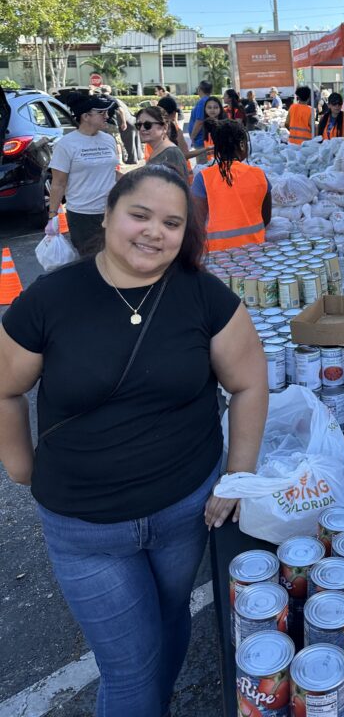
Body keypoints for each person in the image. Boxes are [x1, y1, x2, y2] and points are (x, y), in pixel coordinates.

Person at [0, 165, 268, 716]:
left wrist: (237, 474)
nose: (154, 232)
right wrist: (19, 466)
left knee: (171, 624)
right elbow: (5, 389)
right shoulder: (52, 298)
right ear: (107, 216)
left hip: (183, 510)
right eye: (139, 215)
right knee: (129, 670)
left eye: (172, 223)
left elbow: (249, 383)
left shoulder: (203, 297)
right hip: (84, 526)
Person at [47, 93, 118, 255]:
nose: (107, 116)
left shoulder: (109, 140)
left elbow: (111, 173)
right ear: (86, 116)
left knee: (115, 259)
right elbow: (58, 183)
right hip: (82, 215)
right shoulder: (66, 144)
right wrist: (52, 217)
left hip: (112, 211)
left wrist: (138, 179)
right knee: (91, 262)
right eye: (101, 112)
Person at [191, 120, 272, 251]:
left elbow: (197, 222)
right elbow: (266, 218)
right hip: (256, 250)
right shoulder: (259, 175)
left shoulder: (203, 178)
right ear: (241, 145)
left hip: (218, 253)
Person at [136, 106, 189, 183]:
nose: (142, 129)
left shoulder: (171, 154)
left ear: (164, 128)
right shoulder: (159, 150)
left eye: (148, 125)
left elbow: (176, 190)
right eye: (139, 125)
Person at [189, 80, 213, 150]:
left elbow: (199, 121)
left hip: (200, 139)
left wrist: (192, 137)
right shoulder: (209, 100)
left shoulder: (202, 102)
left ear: (200, 89)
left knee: (202, 160)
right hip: (204, 138)